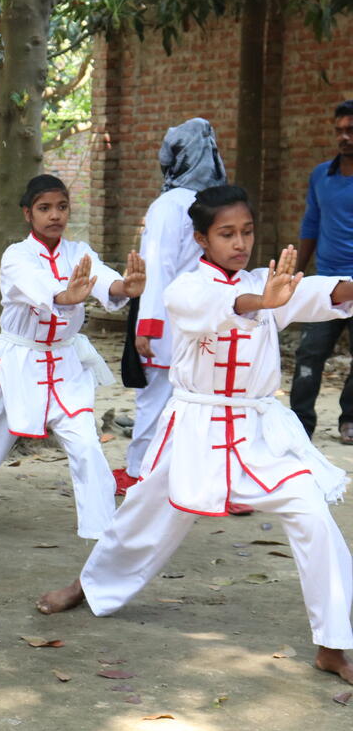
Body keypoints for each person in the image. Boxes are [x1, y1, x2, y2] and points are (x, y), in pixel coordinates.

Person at [38, 184, 353, 685]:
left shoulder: (266, 285)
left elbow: (317, 292)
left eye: (247, 232)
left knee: (311, 510)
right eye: (226, 233)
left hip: (256, 435)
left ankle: (333, 645)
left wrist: (341, 287)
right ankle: (88, 585)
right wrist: (263, 298)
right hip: (194, 431)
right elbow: (223, 303)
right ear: (202, 239)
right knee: (142, 516)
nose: (240, 243)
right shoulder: (185, 288)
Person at [0, 175, 146, 539]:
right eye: (44, 208)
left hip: (65, 364)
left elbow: (104, 281)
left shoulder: (79, 253)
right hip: (16, 364)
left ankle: (103, 530)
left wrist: (125, 288)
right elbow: (45, 290)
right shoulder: (16, 256)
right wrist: (68, 295)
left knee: (86, 443)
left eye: (61, 207)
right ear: (28, 213)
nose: (54, 215)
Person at [120, 118, 227, 494]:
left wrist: (146, 326)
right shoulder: (220, 204)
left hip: (168, 319)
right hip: (210, 319)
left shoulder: (170, 205)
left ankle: (139, 470)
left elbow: (158, 269)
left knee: (155, 399)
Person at [291, 100, 353, 443]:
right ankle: (300, 423)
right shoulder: (321, 176)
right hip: (326, 284)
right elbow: (310, 225)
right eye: (339, 131)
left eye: (351, 130)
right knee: (309, 354)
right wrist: (296, 276)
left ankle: (350, 420)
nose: (344, 137)